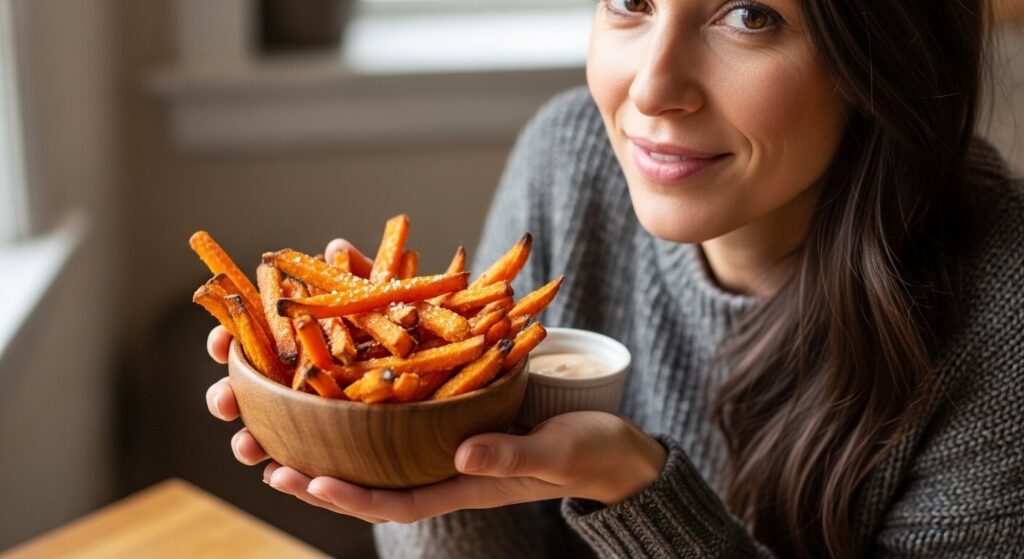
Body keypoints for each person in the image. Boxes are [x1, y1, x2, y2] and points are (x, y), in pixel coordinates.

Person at [204, 0, 1024, 557]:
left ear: (886, 53)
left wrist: (633, 486)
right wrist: (411, 456)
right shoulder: (571, 159)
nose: (653, 87)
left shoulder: (1002, 302)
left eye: (749, 15)